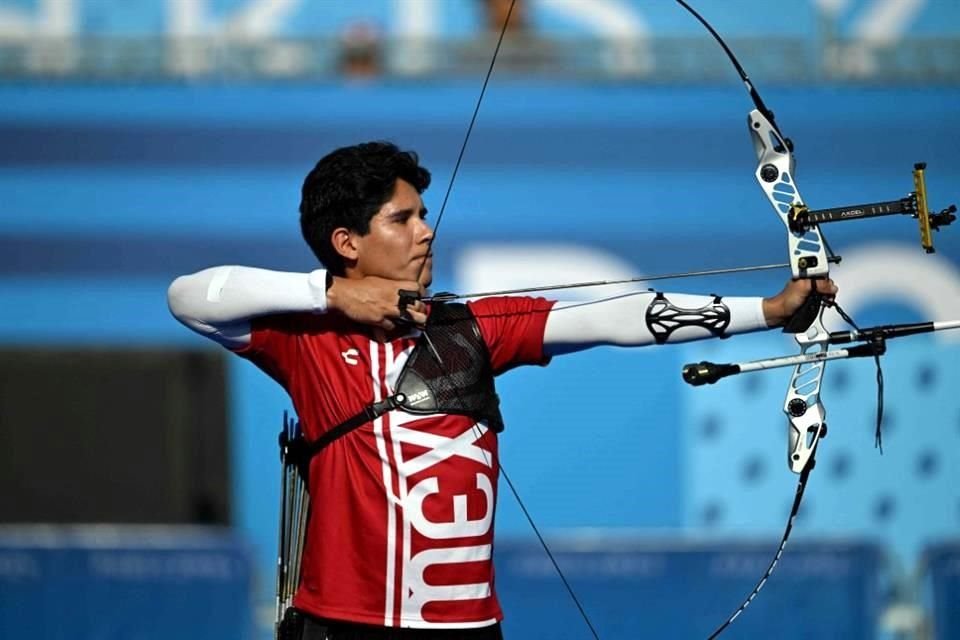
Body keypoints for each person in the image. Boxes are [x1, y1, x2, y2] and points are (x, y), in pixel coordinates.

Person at [167, 141, 836, 639]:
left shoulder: (473, 330)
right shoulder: (305, 339)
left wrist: (771, 312)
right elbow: (189, 297)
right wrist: (333, 293)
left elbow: (612, 315)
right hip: (346, 626)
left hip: (468, 628)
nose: (426, 230)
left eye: (424, 214)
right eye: (402, 220)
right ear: (346, 242)